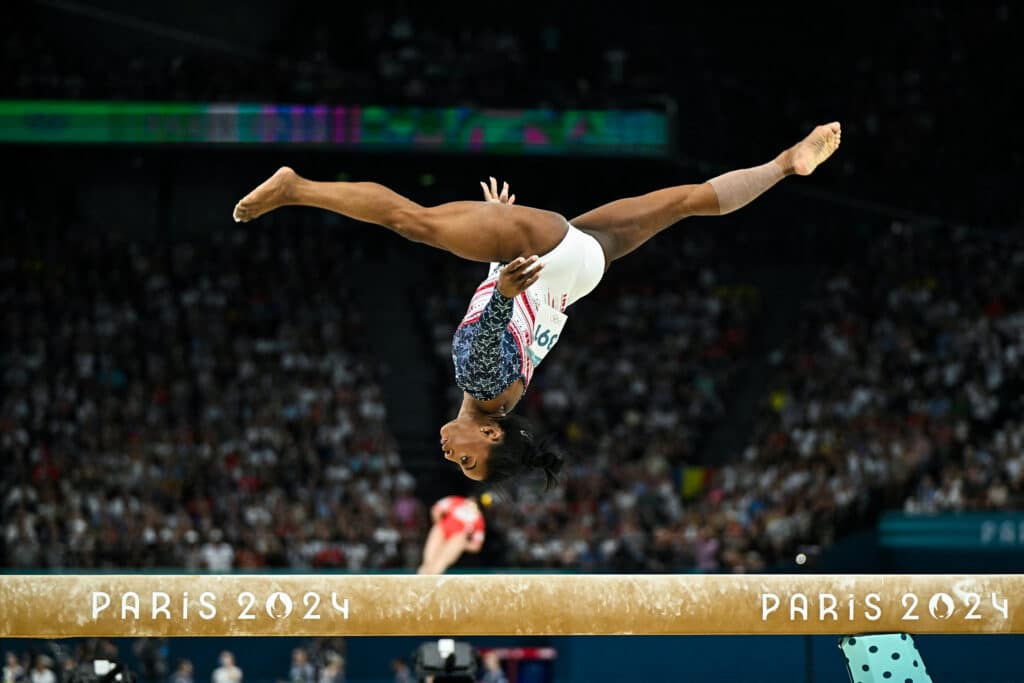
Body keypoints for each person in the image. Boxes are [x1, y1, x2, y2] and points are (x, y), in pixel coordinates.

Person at [233, 123, 842, 486]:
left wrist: (499, 248)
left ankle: (784, 163)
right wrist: (502, 270)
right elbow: (493, 326)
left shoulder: (507, 394)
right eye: (470, 464)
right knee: (411, 221)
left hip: (577, 274)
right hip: (542, 258)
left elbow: (509, 323)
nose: (454, 458)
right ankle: (297, 188)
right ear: (492, 435)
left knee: (684, 203)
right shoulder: (479, 386)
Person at [417, 496, 485, 574]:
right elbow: (436, 510)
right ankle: (421, 578)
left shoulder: (479, 521)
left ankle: (432, 579)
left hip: (457, 538)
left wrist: (462, 543)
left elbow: (476, 546)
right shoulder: (456, 501)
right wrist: (439, 523)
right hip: (441, 531)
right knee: (428, 562)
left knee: (440, 563)